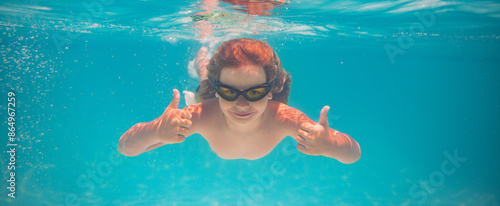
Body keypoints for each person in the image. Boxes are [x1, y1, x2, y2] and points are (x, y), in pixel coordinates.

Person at [118, 38, 361, 163]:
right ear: (220, 88)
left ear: (270, 90)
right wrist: (156, 130)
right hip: (210, 96)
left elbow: (354, 154)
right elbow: (126, 148)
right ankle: (201, 60)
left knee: (206, 86)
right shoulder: (202, 114)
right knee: (204, 83)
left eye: (254, 92)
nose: (242, 104)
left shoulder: (284, 117)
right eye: (229, 91)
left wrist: (331, 145)